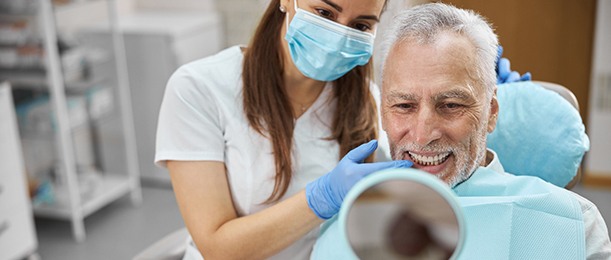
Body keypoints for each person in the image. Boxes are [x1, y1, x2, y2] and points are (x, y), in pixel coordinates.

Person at [155, 0, 527, 259]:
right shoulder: (199, 89)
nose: (339, 32)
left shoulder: (368, 100)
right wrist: (321, 198)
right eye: (324, 11)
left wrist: (474, 98)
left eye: (361, 25)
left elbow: (429, 172)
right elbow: (218, 249)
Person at [312, 2, 611, 259]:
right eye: (404, 105)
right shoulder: (344, 227)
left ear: (491, 113)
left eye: (451, 105)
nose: (422, 134)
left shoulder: (572, 224)